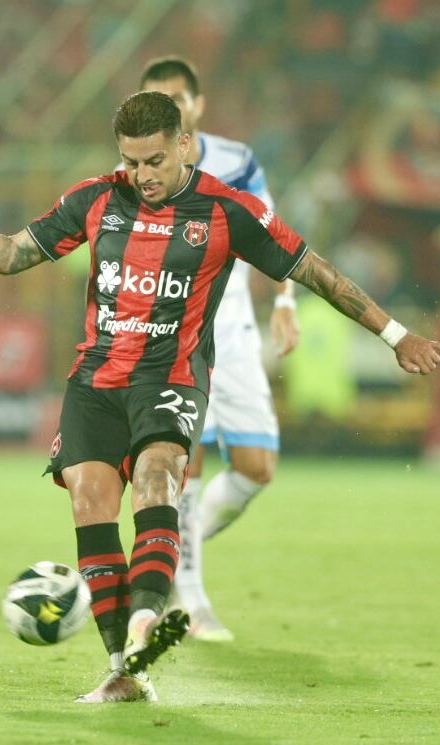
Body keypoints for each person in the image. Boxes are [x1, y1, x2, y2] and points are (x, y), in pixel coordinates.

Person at [0, 91, 440, 704]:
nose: (142, 176)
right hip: (95, 384)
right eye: (131, 162)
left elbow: (313, 269)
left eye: (153, 160)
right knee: (89, 501)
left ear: (184, 144)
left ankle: (146, 619)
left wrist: (396, 335)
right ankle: (122, 670)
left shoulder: (227, 210)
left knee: (158, 478)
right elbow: (15, 253)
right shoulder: (96, 198)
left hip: (170, 379)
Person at [136, 56, 300, 641]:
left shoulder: (237, 160)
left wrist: (285, 303)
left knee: (257, 469)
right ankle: (192, 598)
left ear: (197, 104)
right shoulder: (136, 170)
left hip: (233, 332)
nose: (168, 108)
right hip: (175, 338)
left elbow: (272, 233)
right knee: (190, 463)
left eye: (176, 98)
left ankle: (164, 553)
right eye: (156, 98)